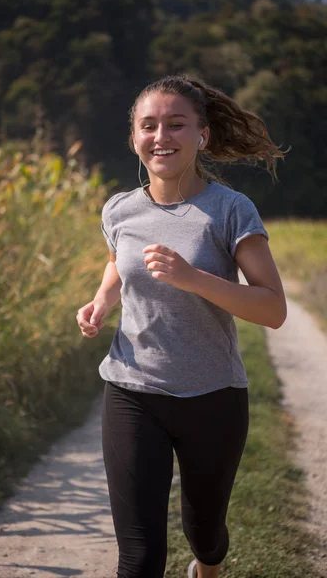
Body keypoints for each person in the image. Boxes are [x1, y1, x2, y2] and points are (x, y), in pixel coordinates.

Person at [76, 74, 287, 578]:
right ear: (134, 138)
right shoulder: (120, 208)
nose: (161, 136)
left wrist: (193, 278)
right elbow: (118, 264)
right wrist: (101, 300)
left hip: (212, 394)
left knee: (206, 535)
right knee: (141, 556)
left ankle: (207, 566)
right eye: (148, 126)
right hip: (132, 390)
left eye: (176, 124)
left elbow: (273, 309)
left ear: (202, 135)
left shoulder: (230, 209)